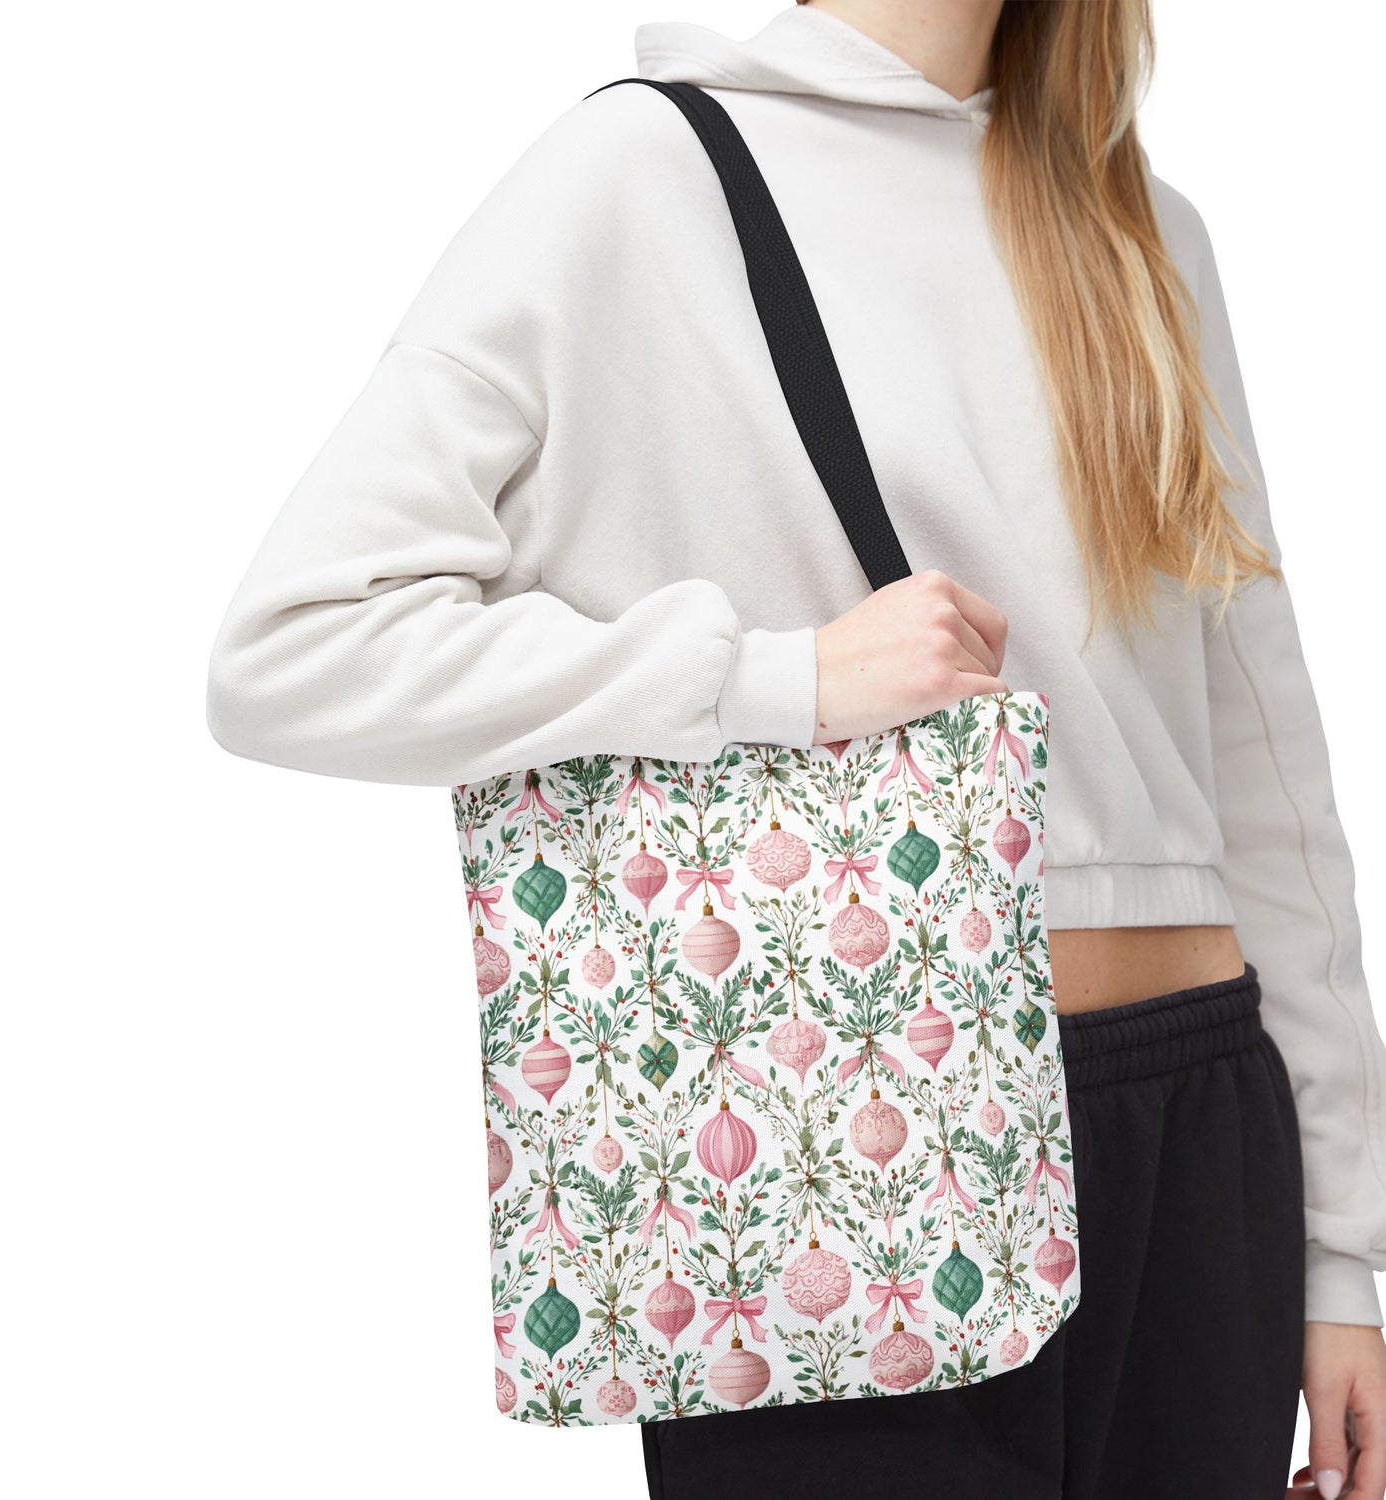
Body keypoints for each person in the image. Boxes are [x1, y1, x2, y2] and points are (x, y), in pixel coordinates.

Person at [205, 1, 1386, 1495]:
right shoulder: (640, 179)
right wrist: (773, 679)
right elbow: (293, 648)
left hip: (1206, 1132)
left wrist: (1341, 1254)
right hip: (837, 1128)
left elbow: (1266, 756)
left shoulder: (1141, 224)